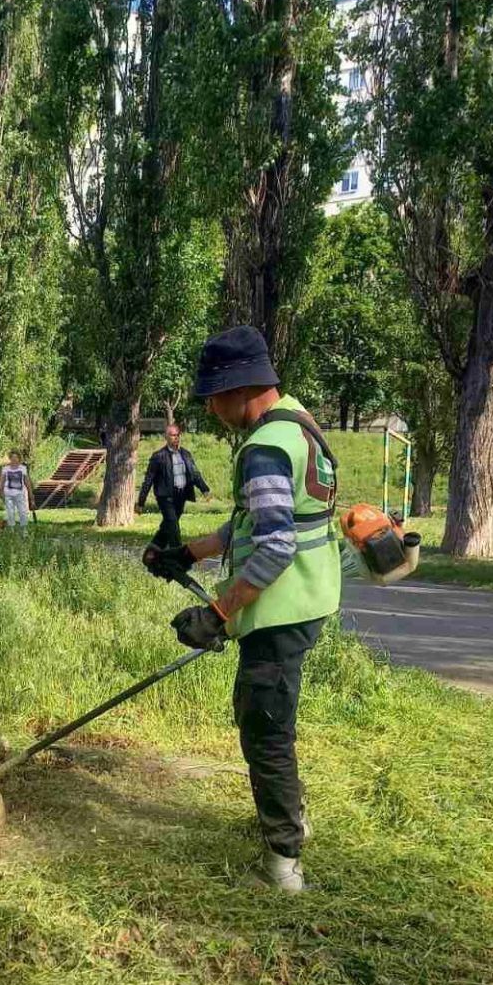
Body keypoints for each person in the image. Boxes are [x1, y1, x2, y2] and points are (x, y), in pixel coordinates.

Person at [143, 326, 340, 893]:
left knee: (265, 726)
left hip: (281, 608)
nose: (210, 406)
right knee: (266, 715)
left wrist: (219, 614)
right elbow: (256, 522)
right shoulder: (298, 424)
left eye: (214, 394)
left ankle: (283, 863)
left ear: (242, 387)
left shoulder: (262, 449)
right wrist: (189, 552)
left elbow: (275, 546)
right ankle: (289, 818)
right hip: (307, 598)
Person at [135, 424, 212, 547]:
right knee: (173, 525)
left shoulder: (186, 454)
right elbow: (148, 480)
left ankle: (154, 549)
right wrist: (141, 502)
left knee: (169, 525)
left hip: (180, 496)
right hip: (165, 497)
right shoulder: (158, 456)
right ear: (166, 437)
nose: (175, 438)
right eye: (172, 435)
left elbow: (195, 473)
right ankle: (177, 554)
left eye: (177, 435)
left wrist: (205, 490)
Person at [0, 451, 35, 535]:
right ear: (10, 458)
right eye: (12, 458)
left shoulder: (22, 469)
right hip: (8, 494)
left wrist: (31, 495)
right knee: (10, 513)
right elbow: (2, 481)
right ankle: (11, 531)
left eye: (16, 458)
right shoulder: (6, 469)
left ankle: (24, 530)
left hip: (20, 494)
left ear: (19, 459)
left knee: (22, 512)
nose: (14, 459)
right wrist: (0, 491)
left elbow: (27, 482)